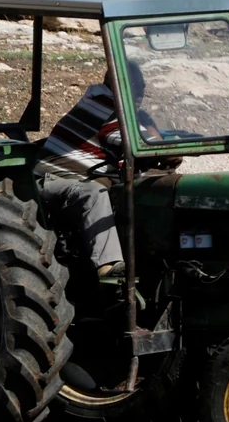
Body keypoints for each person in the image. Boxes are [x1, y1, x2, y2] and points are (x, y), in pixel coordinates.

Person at [34, 63, 160, 278]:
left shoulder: (115, 106)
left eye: (142, 85)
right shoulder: (104, 103)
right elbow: (144, 144)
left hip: (81, 177)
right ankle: (108, 267)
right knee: (94, 193)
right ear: (117, 84)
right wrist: (156, 135)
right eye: (135, 85)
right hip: (54, 178)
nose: (141, 91)